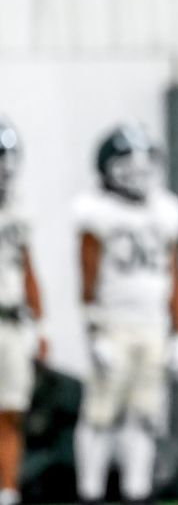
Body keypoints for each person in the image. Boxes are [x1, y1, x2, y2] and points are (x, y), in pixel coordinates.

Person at [72, 123, 178, 504]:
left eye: (145, 164)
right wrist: (93, 332)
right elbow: (88, 277)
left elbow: (174, 277)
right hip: (114, 325)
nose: (139, 173)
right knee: (101, 415)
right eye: (128, 164)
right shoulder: (97, 211)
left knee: (145, 417)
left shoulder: (166, 211)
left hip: (153, 327)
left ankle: (136, 491)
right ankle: (90, 492)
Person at [0, 121, 46, 505]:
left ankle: (8, 491)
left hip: (11, 320)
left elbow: (28, 268)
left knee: (12, 410)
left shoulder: (19, 209)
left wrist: (40, 325)